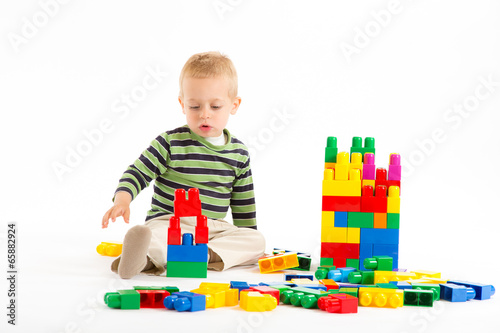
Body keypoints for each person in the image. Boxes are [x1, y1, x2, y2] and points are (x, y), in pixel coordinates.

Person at [101, 51, 266, 279]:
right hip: (170, 223)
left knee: (255, 240)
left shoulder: (239, 153)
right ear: (182, 104)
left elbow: (243, 202)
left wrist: (248, 239)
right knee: (154, 236)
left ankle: (203, 255)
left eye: (215, 107)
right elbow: (138, 172)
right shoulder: (170, 143)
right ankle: (141, 258)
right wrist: (122, 200)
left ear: (234, 105)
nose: (204, 115)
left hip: (212, 229)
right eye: (195, 107)